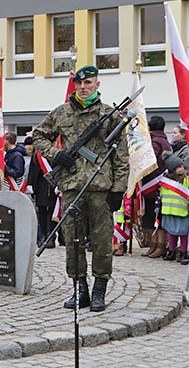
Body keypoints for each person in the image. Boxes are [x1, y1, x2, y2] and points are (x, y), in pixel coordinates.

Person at [33, 65, 128, 312]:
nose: (84, 88)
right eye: (80, 84)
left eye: (89, 83)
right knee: (73, 241)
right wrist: (57, 154)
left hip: (101, 188)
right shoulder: (61, 113)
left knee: (102, 242)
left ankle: (99, 290)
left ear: (98, 84)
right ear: (75, 85)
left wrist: (119, 189)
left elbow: (122, 156)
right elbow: (38, 136)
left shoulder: (110, 115)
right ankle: (79, 289)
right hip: (72, 187)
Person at [140, 115, 170, 258]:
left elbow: (149, 159)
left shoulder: (154, 142)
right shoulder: (165, 140)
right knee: (157, 215)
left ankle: (159, 245)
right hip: (160, 184)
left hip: (153, 183)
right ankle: (154, 245)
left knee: (154, 216)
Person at [159, 151, 189, 264]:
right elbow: (162, 194)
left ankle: (183, 252)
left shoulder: (186, 180)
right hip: (169, 211)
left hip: (181, 211)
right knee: (171, 233)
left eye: (182, 166)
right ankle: (171, 251)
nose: (182, 169)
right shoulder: (166, 181)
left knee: (183, 233)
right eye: (179, 167)